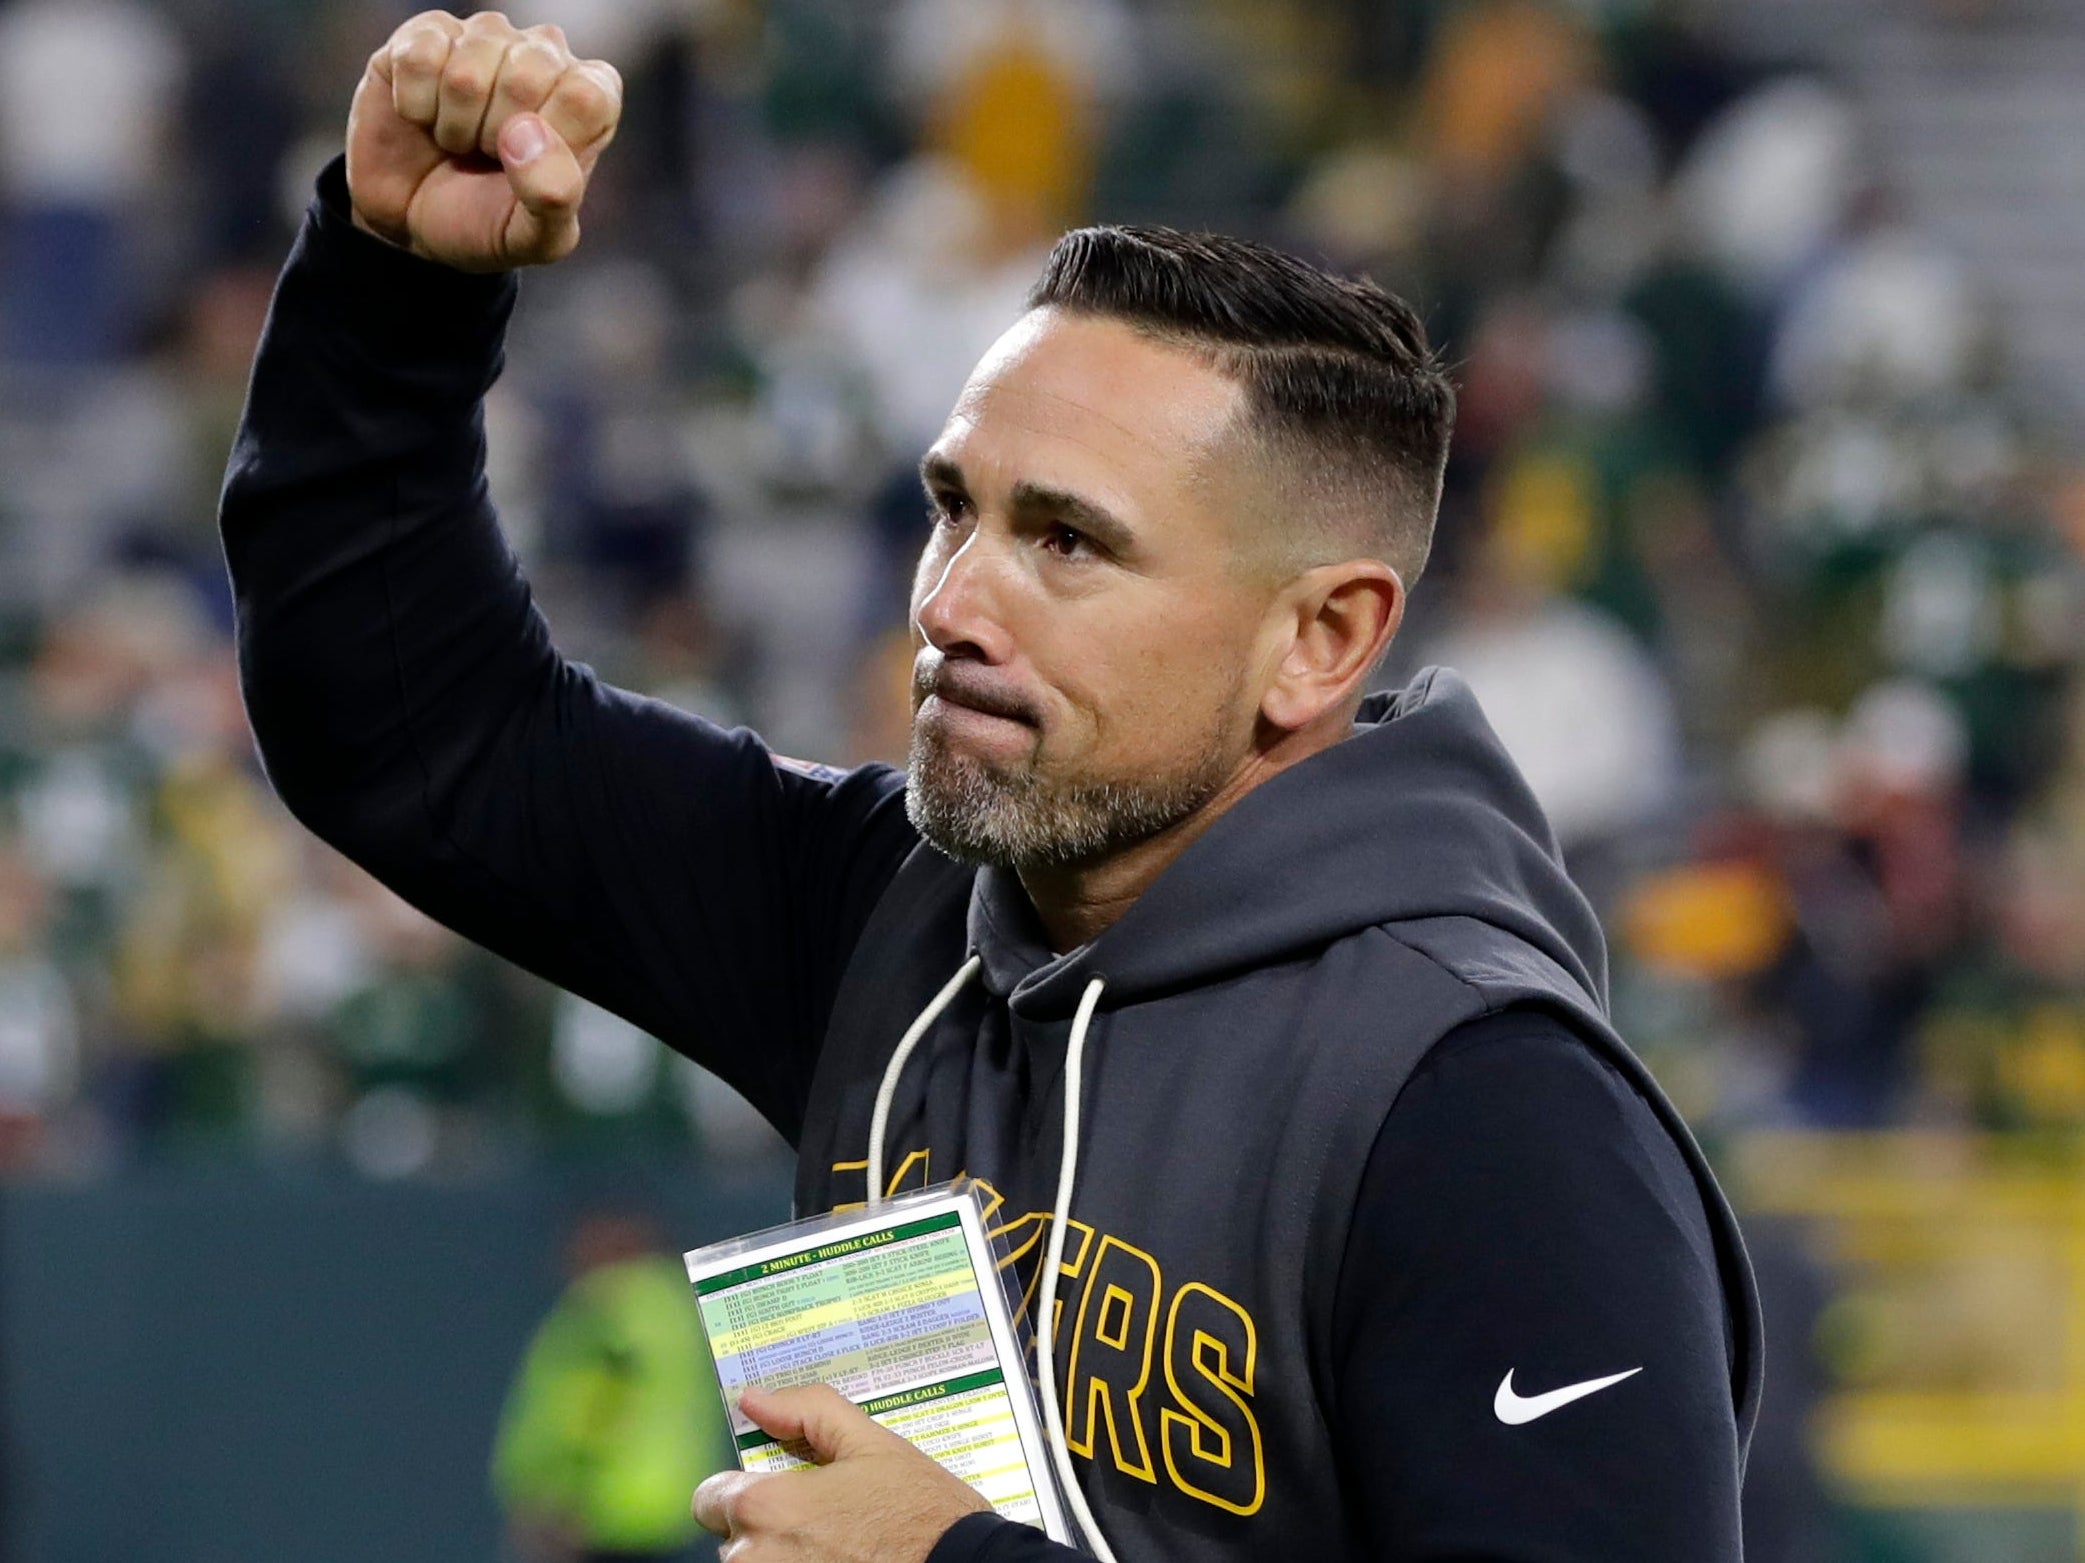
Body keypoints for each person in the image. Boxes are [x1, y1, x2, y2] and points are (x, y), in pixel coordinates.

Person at [219, 11, 1762, 1562]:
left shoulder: (1494, 1109)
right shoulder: (892, 913)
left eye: (1068, 541)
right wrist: (396, 287)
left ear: (1319, 637)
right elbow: (418, 736)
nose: (954, 598)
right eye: (953, 506)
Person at [494, 1208, 731, 1563]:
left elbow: (593, 1409)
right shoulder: (676, 1306)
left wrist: (554, 1498)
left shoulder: (608, 1307)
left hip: (600, 1513)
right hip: (672, 1509)